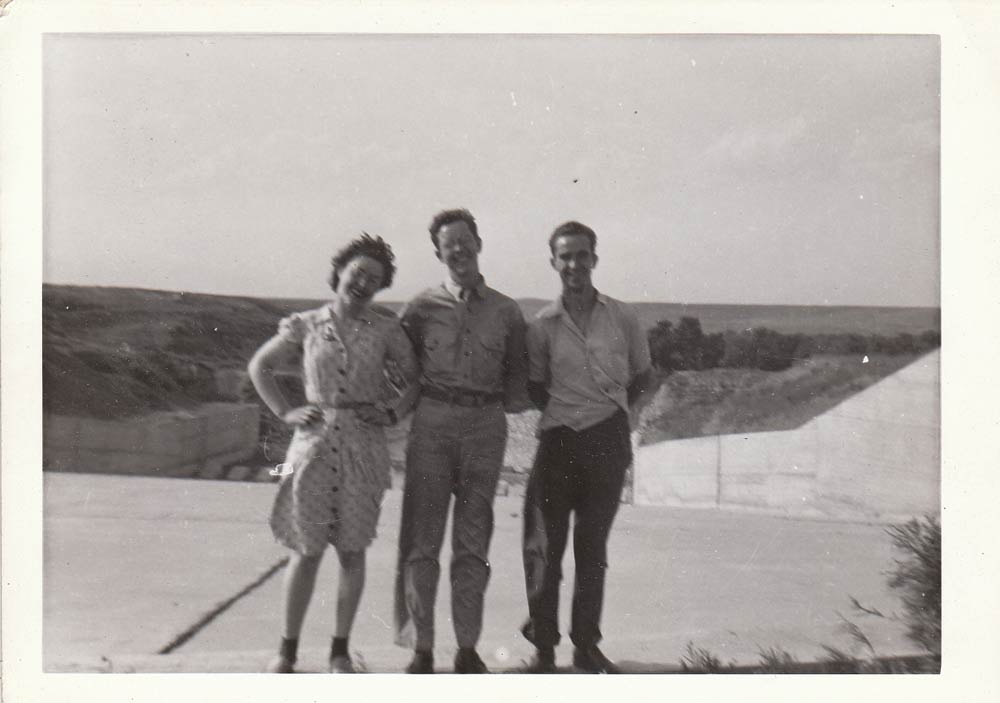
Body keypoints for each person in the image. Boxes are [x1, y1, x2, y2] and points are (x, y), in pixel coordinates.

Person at [247, 234, 419, 674]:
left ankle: (340, 651)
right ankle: (287, 651)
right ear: (339, 272)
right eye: (357, 272)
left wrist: (392, 411)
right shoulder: (305, 324)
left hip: (364, 448)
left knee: (352, 552)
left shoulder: (386, 330)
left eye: (374, 279)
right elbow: (260, 366)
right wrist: (285, 411)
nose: (363, 283)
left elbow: (415, 380)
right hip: (314, 447)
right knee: (306, 551)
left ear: (381, 287)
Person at [393, 208, 529, 674]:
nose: (459, 250)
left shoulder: (507, 311)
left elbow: (519, 375)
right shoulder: (420, 307)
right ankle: (422, 647)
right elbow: (397, 362)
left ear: (478, 244)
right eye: (449, 244)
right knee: (423, 541)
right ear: (439, 253)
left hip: (484, 427)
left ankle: (467, 648)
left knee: (473, 543)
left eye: (465, 241)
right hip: (432, 424)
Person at [519, 221, 653, 674]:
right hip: (558, 441)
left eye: (582, 254)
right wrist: (569, 413)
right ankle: (543, 649)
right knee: (543, 549)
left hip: (607, 441)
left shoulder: (623, 317)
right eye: (565, 256)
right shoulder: (542, 325)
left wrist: (611, 412)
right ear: (553, 262)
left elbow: (643, 375)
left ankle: (586, 647)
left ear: (595, 258)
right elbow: (536, 386)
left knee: (592, 550)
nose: (574, 264)